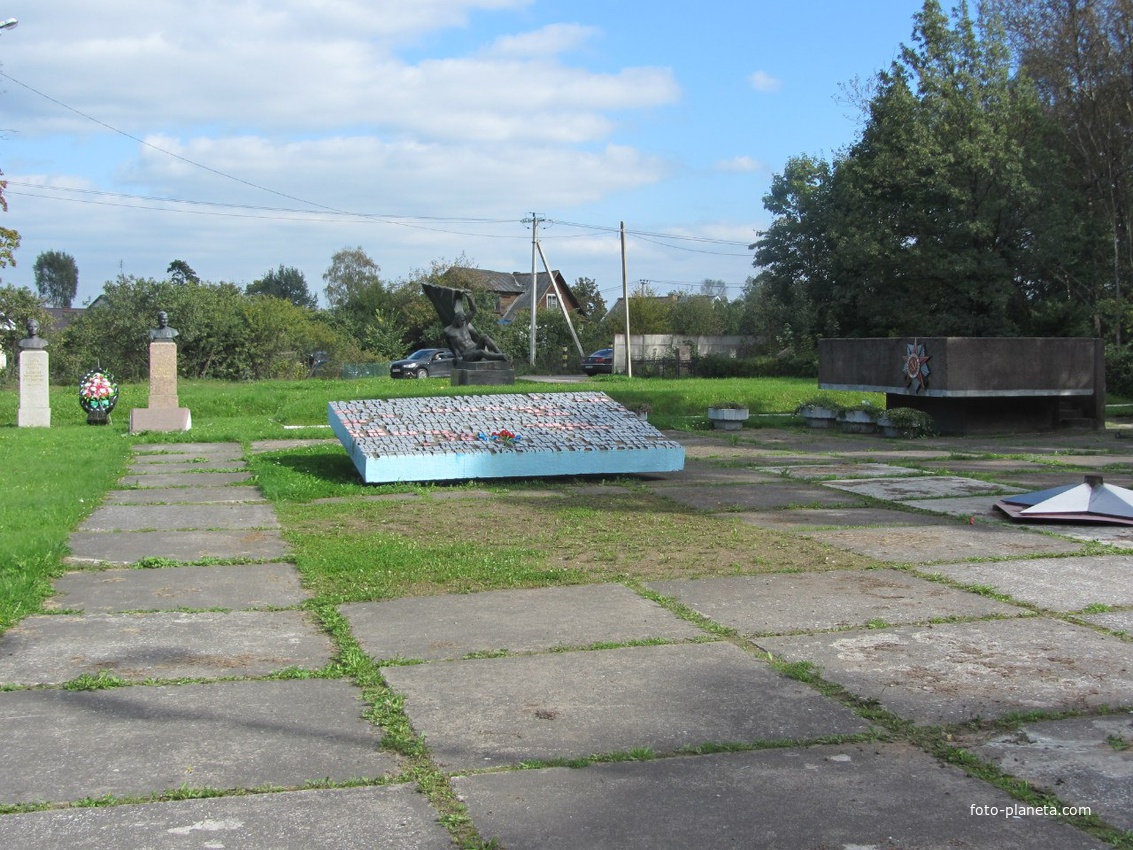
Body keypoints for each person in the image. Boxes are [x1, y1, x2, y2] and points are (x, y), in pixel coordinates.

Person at [443, 291, 509, 362]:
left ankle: (499, 353)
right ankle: (500, 357)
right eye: (461, 321)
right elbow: (450, 346)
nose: (462, 322)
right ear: (456, 319)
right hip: (467, 354)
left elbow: (473, 310)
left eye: (464, 320)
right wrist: (457, 357)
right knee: (481, 352)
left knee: (484, 337)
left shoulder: (464, 324)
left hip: (475, 347)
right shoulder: (448, 331)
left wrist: (469, 297)